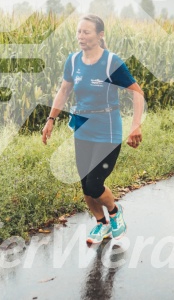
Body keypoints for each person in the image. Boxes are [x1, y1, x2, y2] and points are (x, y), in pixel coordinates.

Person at [42, 14, 144, 244]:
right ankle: (102, 224)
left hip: (107, 130)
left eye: (86, 32)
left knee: (94, 183)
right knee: (84, 184)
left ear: (100, 36)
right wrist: (51, 119)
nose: (81, 36)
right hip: (83, 128)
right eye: (79, 31)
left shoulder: (111, 62)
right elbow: (64, 90)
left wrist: (135, 125)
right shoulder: (74, 60)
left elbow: (137, 92)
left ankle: (116, 213)